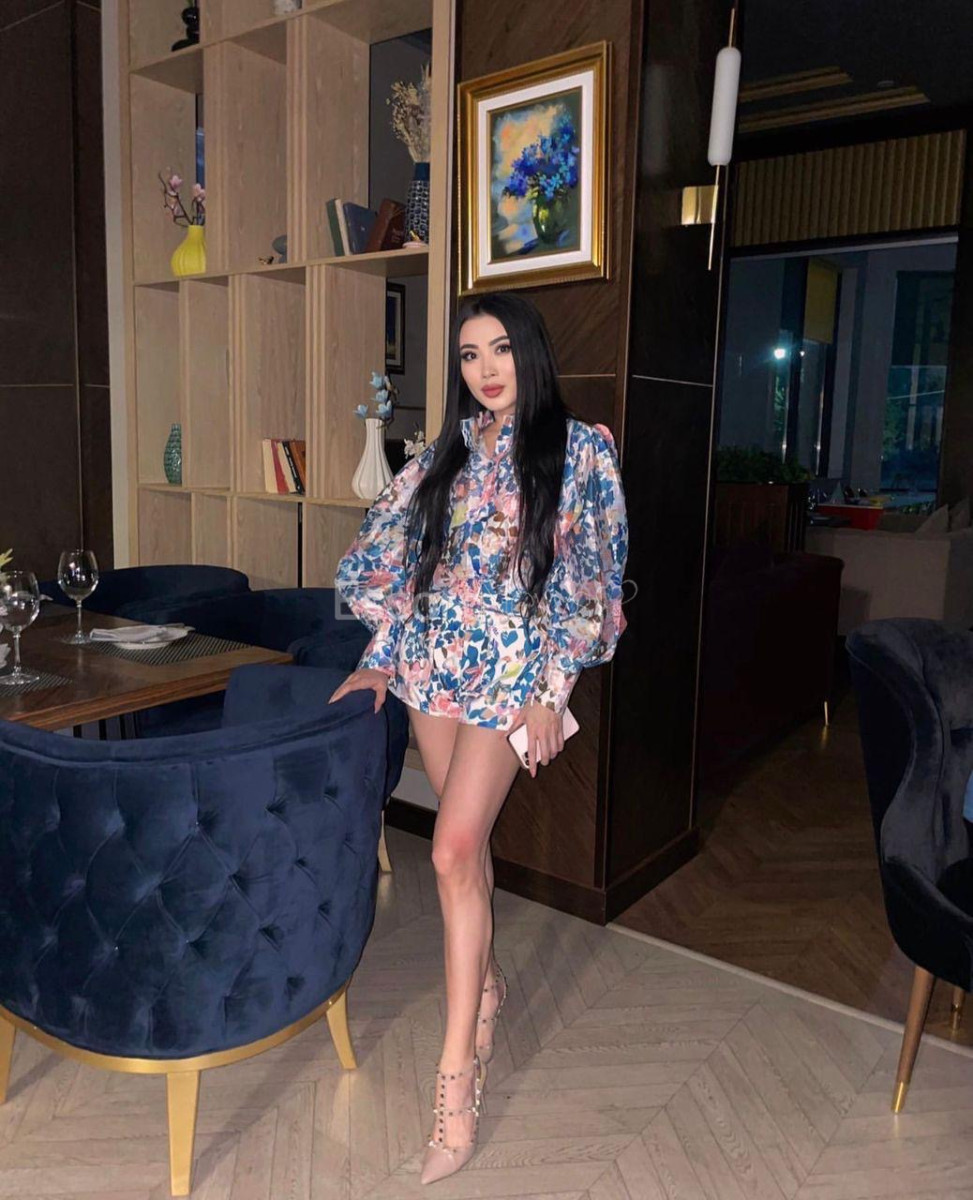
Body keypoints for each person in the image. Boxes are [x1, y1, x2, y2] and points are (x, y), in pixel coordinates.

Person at [331, 290, 629, 1184]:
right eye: (468, 355)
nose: (486, 369)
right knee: (469, 859)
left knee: (451, 849)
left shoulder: (580, 449)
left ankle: (454, 1083)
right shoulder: (444, 454)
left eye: (499, 349)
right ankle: (487, 984)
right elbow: (403, 563)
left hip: (511, 672)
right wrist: (380, 659)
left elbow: (589, 579)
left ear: (529, 352)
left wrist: (550, 688)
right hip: (433, 663)